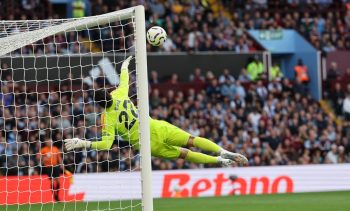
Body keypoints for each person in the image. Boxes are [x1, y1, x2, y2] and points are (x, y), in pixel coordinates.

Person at [64, 56, 248, 167]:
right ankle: (222, 151)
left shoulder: (107, 118)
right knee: (192, 140)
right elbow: (124, 80)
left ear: (99, 105)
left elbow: (105, 145)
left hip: (146, 143)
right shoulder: (119, 94)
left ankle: (219, 162)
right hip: (155, 126)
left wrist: (82, 143)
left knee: (184, 154)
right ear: (109, 94)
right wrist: (124, 66)